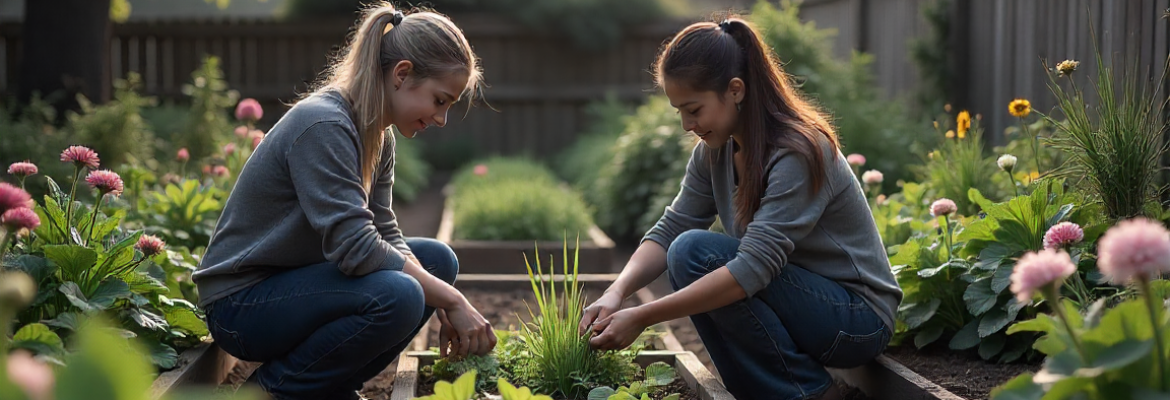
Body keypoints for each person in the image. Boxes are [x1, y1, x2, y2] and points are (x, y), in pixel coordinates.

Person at [579, 17, 903, 400]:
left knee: (694, 254)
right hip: (805, 306)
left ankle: (811, 394)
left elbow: (752, 268)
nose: (686, 124)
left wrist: (644, 315)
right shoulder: (715, 153)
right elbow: (670, 229)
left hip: (856, 320)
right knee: (686, 250)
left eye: (694, 109)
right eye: (679, 111)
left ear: (735, 90)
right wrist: (617, 293)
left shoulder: (798, 150)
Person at [192, 4, 495, 399]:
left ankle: (333, 387)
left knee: (438, 261)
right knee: (401, 295)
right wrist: (451, 299)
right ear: (402, 74)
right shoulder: (325, 125)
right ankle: (271, 391)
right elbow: (355, 247)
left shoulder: (377, 134)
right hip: (241, 305)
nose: (441, 119)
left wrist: (440, 290)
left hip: (291, 287)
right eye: (440, 101)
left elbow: (384, 230)